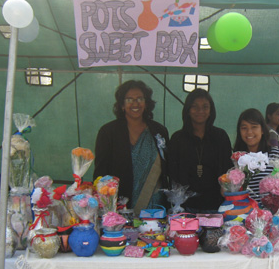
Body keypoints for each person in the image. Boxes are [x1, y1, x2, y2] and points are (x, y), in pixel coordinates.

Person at [94, 80, 169, 215]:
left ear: (146, 103)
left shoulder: (159, 131)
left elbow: (167, 167)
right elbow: (100, 173)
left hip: (154, 207)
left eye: (140, 99)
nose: (135, 103)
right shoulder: (108, 132)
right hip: (120, 207)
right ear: (122, 105)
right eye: (129, 99)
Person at [168, 89, 232, 212]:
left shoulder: (220, 136)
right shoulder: (177, 138)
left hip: (216, 205)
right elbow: (172, 173)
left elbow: (227, 170)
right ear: (188, 110)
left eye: (205, 107)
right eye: (195, 106)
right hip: (185, 207)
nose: (200, 111)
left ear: (211, 110)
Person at [233, 108, 279, 208]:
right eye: (244, 128)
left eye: (254, 127)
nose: (249, 132)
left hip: (273, 216)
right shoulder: (236, 159)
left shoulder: (276, 156)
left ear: (262, 130)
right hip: (242, 214)